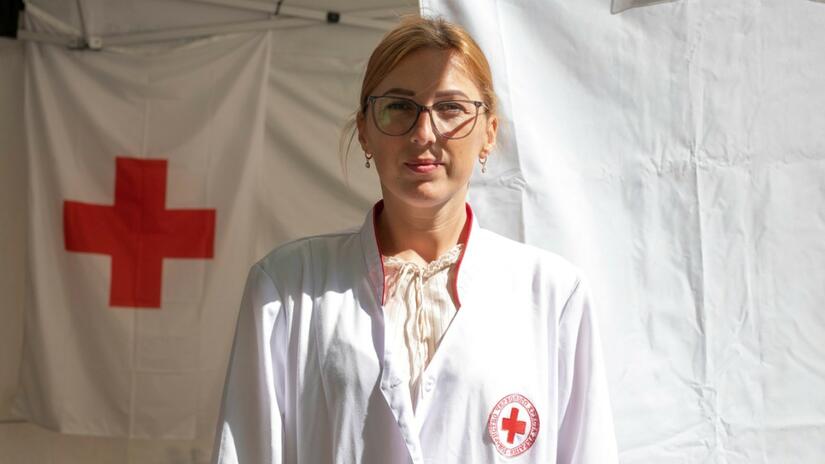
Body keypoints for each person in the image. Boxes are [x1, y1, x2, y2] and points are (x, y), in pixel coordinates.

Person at [212, 15, 618, 464]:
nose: (424, 134)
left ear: (489, 134)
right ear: (365, 129)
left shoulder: (554, 295)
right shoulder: (288, 286)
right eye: (399, 107)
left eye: (450, 108)